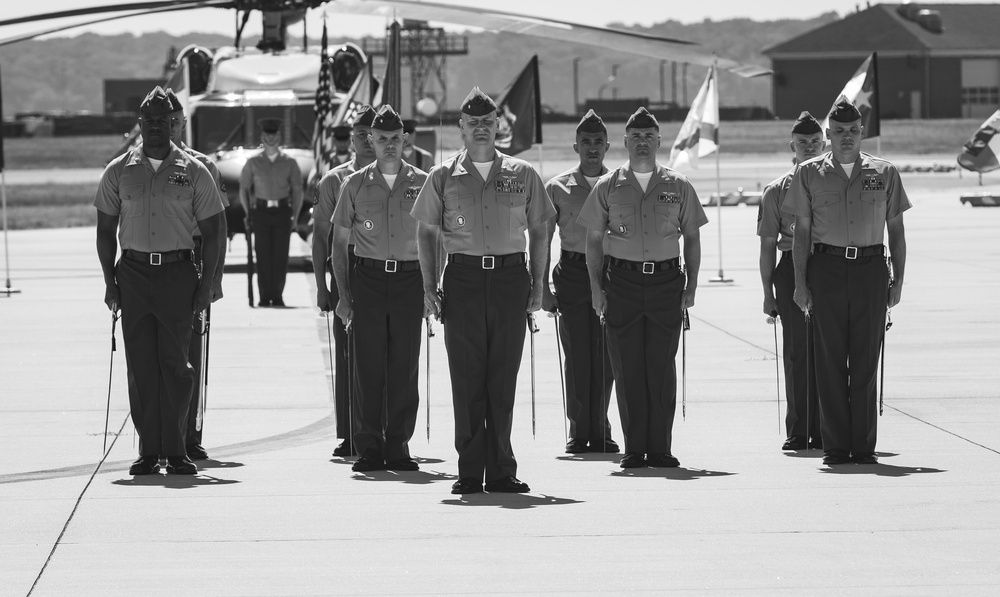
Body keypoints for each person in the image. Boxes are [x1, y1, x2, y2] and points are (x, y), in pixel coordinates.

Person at [411, 87, 555, 494]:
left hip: (511, 280)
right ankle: (470, 471)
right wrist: (428, 285)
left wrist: (539, 285)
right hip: (464, 281)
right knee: (467, 379)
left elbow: (542, 230)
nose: (480, 129)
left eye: (487, 123)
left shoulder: (523, 174)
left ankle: (502, 470)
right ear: (461, 127)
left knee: (502, 379)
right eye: (472, 123)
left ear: (498, 126)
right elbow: (426, 232)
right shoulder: (442, 176)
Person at [94, 86, 226, 475]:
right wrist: (109, 281)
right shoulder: (119, 170)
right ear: (140, 124)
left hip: (176, 274)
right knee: (141, 365)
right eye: (148, 121)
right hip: (132, 274)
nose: (155, 127)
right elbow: (105, 230)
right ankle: (149, 451)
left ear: (173, 124)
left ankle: (177, 448)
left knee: (178, 365)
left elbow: (215, 231)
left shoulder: (195, 171)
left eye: (163, 121)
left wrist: (206, 286)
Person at [577, 107, 708, 470]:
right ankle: (635, 449)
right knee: (627, 367)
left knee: (661, 368)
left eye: (649, 137)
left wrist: (692, 285)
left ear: (659, 141)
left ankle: (661, 449)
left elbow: (693, 239)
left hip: (667, 283)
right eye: (636, 137)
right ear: (625, 141)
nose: (643, 143)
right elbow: (592, 240)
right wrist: (595, 288)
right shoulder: (608, 186)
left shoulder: (678, 185)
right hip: (622, 283)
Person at [785, 98, 909, 466]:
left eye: (853, 131)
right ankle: (837, 445)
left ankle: (864, 446)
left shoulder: (884, 172)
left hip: (871, 268)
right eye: (838, 132)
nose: (846, 138)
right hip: (827, 269)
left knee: (866, 358)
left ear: (861, 132)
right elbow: (801, 235)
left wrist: (898, 281)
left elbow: (897, 232)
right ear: (828, 135)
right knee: (829, 360)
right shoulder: (809, 173)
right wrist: (800, 283)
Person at [330, 105, 429, 473]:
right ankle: (369, 445)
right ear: (370, 140)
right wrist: (343, 294)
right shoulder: (353, 184)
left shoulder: (423, 181)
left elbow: (437, 239)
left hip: (408, 280)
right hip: (368, 280)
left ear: (405, 140)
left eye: (395, 139)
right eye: (381, 139)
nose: (389, 145)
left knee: (404, 367)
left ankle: (398, 445)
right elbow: (338, 243)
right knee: (367, 367)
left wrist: (431, 288)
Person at [541, 109, 618, 455]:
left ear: (607, 147)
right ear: (575, 146)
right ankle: (578, 429)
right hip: (571, 274)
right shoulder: (556, 188)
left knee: (606, 354)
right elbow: (542, 240)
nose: (591, 148)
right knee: (576, 353)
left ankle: (599, 429)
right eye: (585, 142)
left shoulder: (620, 184)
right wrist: (541, 287)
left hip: (610, 274)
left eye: (597, 142)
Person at [314, 105, 377, 457]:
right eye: (361, 134)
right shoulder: (333, 180)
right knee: (349, 351)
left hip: (386, 264)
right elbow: (320, 236)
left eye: (373, 134)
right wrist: (323, 287)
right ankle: (351, 432)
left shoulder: (402, 177)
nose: (368, 140)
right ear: (351, 140)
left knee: (386, 350)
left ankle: (384, 428)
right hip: (346, 267)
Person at [168, 88, 228, 461]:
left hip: (192, 264)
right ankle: (159, 436)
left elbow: (217, 230)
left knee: (191, 356)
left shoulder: (201, 165)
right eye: (164, 122)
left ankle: (189, 435)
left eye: (175, 122)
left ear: (184, 123)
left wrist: (214, 278)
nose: (170, 128)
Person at [757, 111, 823, 452]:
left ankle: (829, 427)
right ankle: (799, 429)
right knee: (797, 351)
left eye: (815, 142)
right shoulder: (775, 191)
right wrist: (767, 292)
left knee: (831, 350)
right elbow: (767, 245)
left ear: (823, 143)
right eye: (803, 143)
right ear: (792, 147)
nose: (809, 148)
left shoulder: (835, 185)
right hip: (789, 270)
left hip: (829, 266)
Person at [239, 117, 303, 307]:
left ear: (279, 137)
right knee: (263, 255)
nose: (271, 139)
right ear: (262, 137)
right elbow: (243, 187)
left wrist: (296, 216)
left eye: (274, 135)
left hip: (283, 212)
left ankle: (278, 296)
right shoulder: (253, 162)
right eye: (267, 135)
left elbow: (297, 190)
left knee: (280, 256)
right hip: (260, 213)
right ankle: (264, 296)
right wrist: (248, 213)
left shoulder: (290, 162)